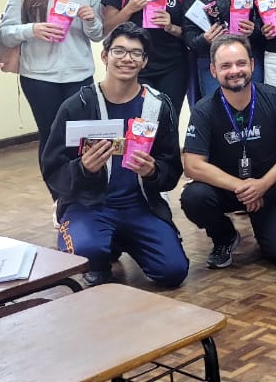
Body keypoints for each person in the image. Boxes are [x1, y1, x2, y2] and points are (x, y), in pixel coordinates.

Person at [40, 23, 188, 287]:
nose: (127, 59)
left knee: (173, 272)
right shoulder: (77, 106)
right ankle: (102, 246)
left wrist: (153, 171)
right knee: (87, 257)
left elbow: (172, 170)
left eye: (136, 53)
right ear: (105, 56)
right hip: (88, 206)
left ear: (144, 61)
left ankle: (118, 239)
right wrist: (83, 169)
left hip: (140, 207)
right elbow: (52, 169)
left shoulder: (158, 106)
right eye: (119, 51)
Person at [0, 0, 105, 188]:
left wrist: (91, 19)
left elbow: (97, 35)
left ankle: (80, 193)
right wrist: (33, 29)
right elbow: (5, 34)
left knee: (79, 139)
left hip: (78, 74)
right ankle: (59, 197)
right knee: (51, 138)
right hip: (38, 76)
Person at [180, 36, 276, 269]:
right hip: (226, 188)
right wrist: (242, 187)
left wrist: (262, 185)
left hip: (268, 187)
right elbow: (192, 165)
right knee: (193, 197)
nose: (235, 71)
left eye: (241, 63)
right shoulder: (203, 110)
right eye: (226, 66)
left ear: (252, 64)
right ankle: (224, 236)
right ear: (213, 71)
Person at [102, 0, 191, 117]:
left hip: (173, 66)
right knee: (137, 122)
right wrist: (129, 9)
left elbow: (191, 33)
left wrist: (171, 26)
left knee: (168, 120)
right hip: (132, 65)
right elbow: (107, 28)